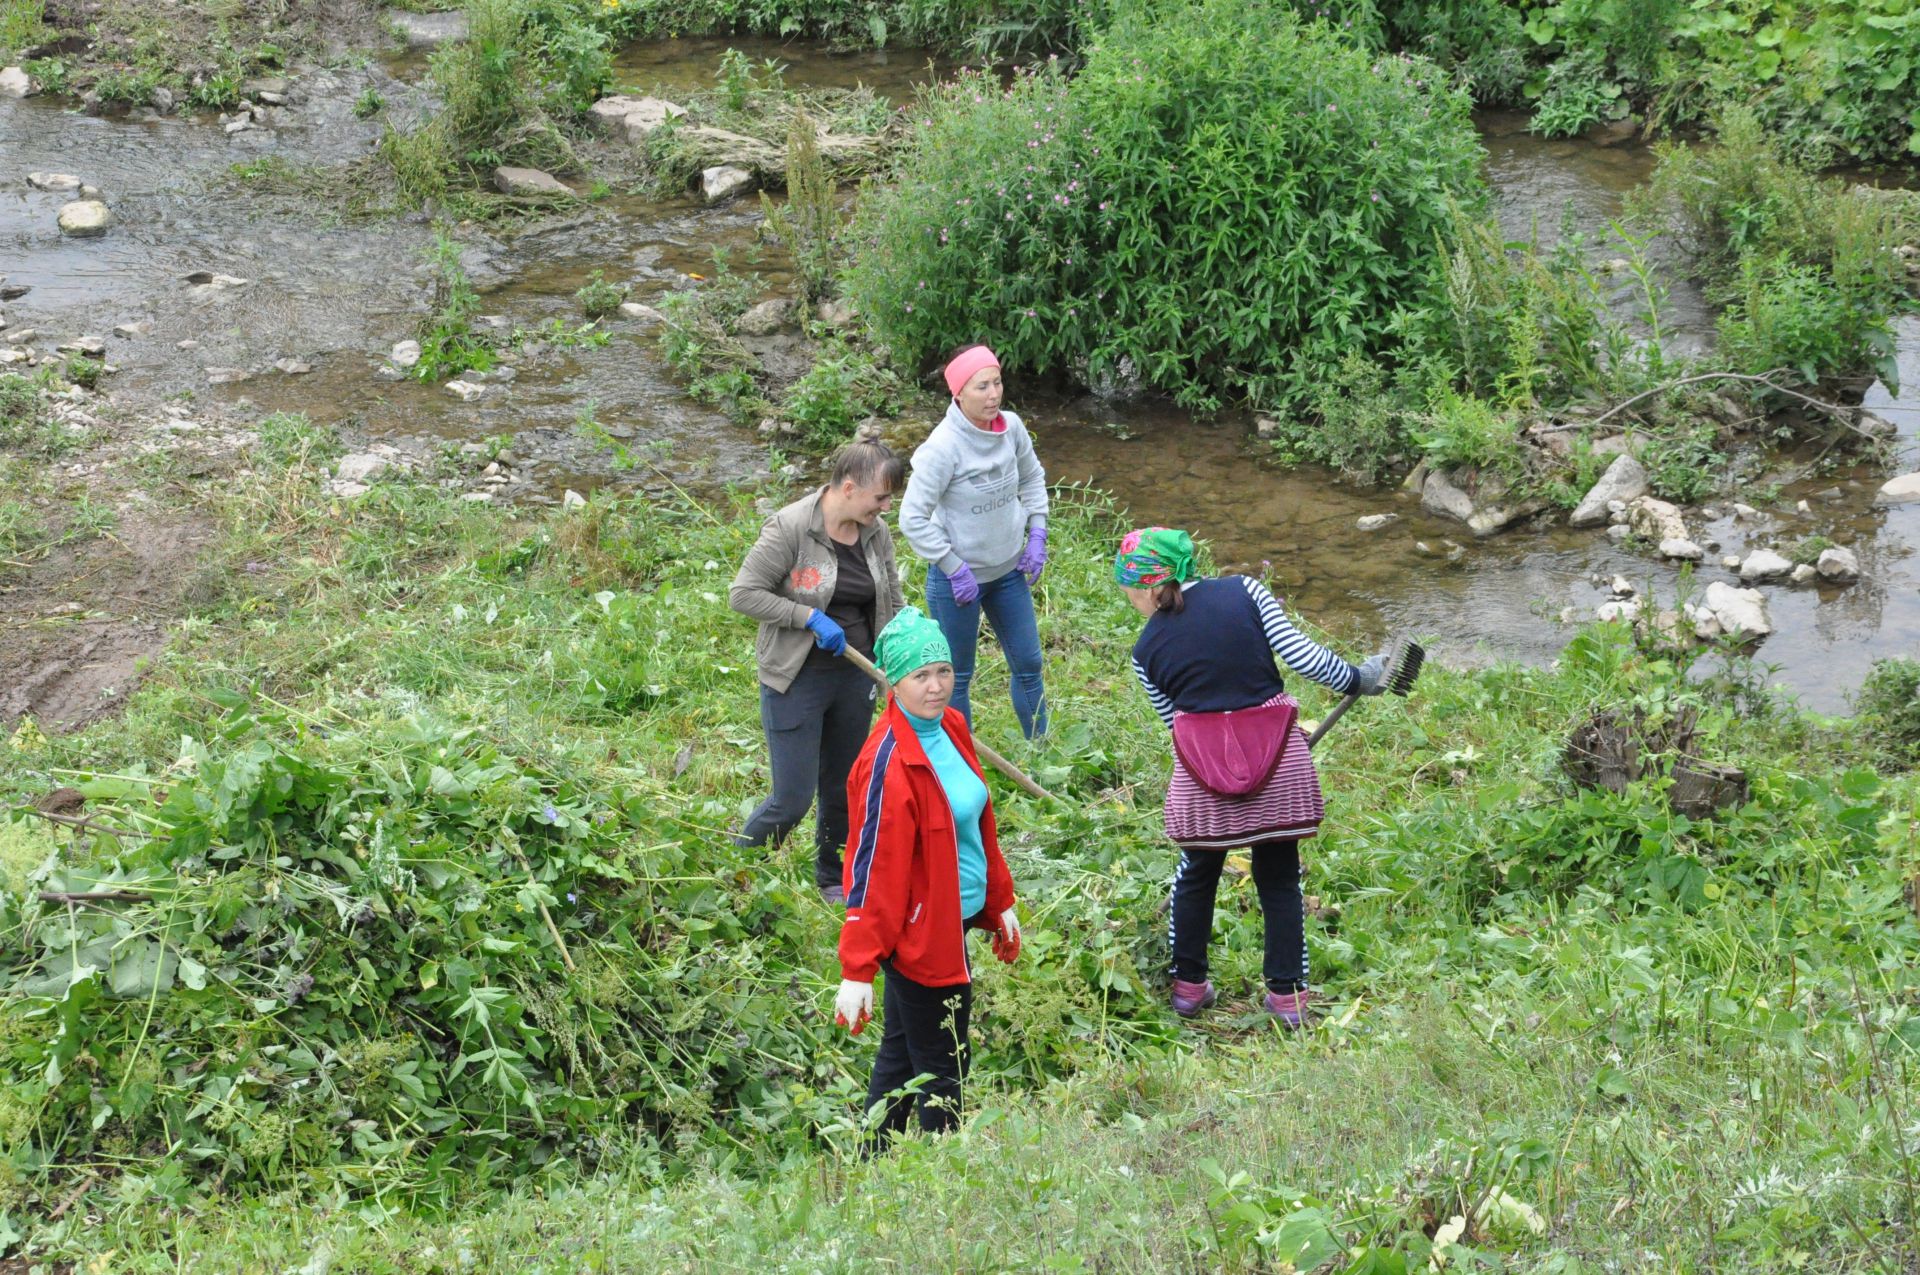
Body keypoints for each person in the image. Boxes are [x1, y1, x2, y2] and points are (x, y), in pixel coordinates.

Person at [1112, 528, 1388, 1027]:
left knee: (1196, 875)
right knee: (1280, 877)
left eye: (1128, 592)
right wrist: (1357, 679)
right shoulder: (1245, 591)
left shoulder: (1145, 651)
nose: (1131, 602)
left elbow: (1175, 724)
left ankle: (1189, 988)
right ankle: (1287, 998)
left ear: (1147, 586)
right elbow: (1303, 657)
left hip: (1204, 781)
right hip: (1278, 764)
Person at [832, 607, 1022, 1140]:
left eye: (944, 671)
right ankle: (945, 1169)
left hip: (953, 915)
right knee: (944, 1061)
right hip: (919, 932)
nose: (936, 687)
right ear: (894, 682)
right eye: (920, 676)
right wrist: (858, 967)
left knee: (901, 1053)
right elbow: (872, 870)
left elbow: (975, 826)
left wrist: (998, 899)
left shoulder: (951, 727)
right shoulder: (888, 762)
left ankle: (873, 1156)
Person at [729, 441, 907, 904]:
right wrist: (807, 618)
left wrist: (903, 651)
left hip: (856, 673)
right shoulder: (791, 528)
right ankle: (737, 867)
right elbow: (743, 593)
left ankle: (832, 878)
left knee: (843, 786)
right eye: (881, 498)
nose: (886, 508)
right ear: (849, 488)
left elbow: (892, 595)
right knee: (793, 797)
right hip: (797, 677)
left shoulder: (875, 532)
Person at [899, 344, 1051, 738]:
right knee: (957, 676)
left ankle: (1041, 750)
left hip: (1008, 573)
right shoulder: (942, 448)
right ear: (958, 393)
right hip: (958, 582)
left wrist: (1037, 531)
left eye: (997, 382)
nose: (993, 394)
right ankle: (961, 761)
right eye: (981, 386)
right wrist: (953, 566)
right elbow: (911, 518)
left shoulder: (1012, 428)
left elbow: (1032, 477)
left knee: (1029, 664)